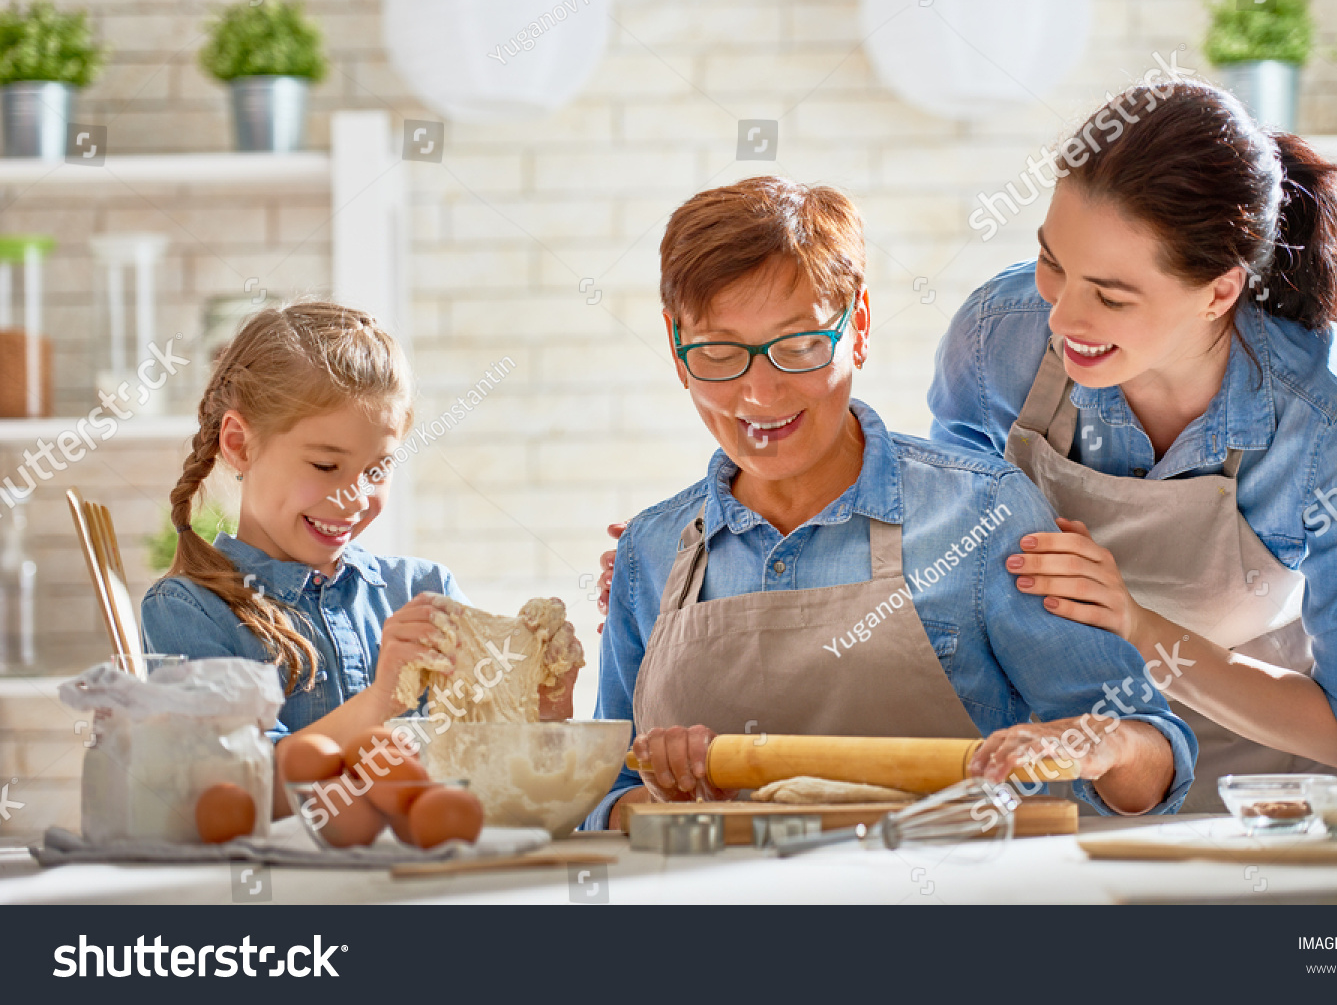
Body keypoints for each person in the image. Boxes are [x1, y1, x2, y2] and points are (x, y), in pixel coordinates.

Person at [584, 177, 1196, 831]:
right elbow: (604, 796)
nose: (758, 394)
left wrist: (1102, 744)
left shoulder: (982, 516)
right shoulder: (650, 552)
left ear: (861, 325)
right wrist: (657, 797)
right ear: (677, 349)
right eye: (718, 352)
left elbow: (1151, 766)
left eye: (798, 346)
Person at [929, 80, 1337, 810]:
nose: (1062, 315)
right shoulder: (997, 333)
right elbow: (948, 566)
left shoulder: (1328, 419)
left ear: (1219, 291)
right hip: (1051, 764)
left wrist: (1136, 623)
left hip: (1258, 791)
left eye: (1111, 295)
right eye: (1052, 261)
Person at [141, 299, 575, 817]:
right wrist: (382, 699)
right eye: (326, 465)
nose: (353, 497)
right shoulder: (187, 611)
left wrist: (540, 710)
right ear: (239, 444)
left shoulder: (422, 590)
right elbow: (232, 792)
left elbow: (493, 775)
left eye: (377, 470)